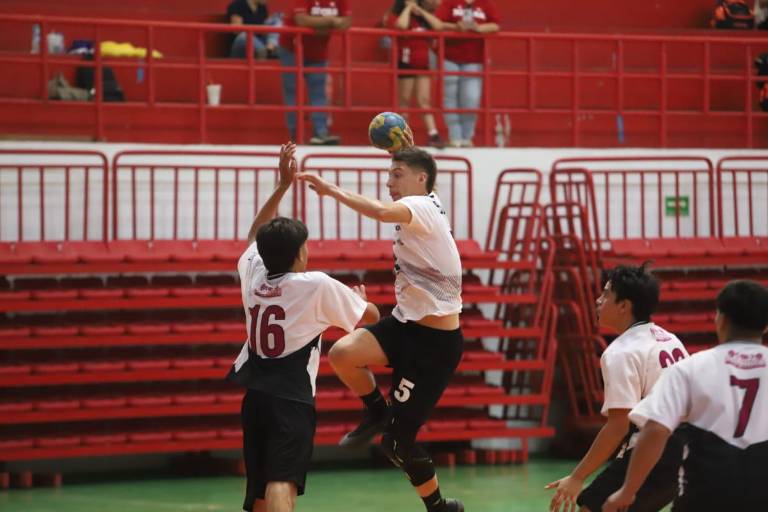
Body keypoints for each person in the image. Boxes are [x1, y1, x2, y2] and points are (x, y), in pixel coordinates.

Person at [297, 145, 465, 512]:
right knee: (342, 354)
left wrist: (331, 190)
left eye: (396, 174)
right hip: (405, 325)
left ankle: (439, 507)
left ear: (421, 179)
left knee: (397, 445)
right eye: (390, 174)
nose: (389, 182)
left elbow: (380, 211)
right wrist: (406, 148)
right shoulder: (427, 199)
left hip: (435, 346)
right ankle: (376, 409)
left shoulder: (420, 207)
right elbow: (422, 170)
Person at [227, 142, 380, 512]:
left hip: (255, 395)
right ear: (300, 253)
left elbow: (254, 236)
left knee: (259, 492)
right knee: (283, 481)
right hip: (291, 397)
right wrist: (359, 299)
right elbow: (372, 318)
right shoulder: (315, 285)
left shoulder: (254, 275)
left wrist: (281, 186)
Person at [604, 280, 768, 512]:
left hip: (706, 489)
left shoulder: (690, 368)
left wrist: (628, 491)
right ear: (765, 326)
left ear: (721, 320)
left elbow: (655, 430)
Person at [546, 264, 689, 512]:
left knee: (592, 507)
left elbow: (618, 426)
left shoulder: (621, 352)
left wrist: (577, 477)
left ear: (624, 306)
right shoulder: (669, 338)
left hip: (656, 449)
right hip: (689, 448)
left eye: (606, 294)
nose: (598, 300)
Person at [277, 0, 351, 145]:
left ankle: (320, 134)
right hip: (292, 48)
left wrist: (317, 26)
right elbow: (301, 20)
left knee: (319, 92)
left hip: (318, 51)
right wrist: (331, 21)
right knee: (293, 91)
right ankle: (296, 136)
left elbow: (346, 22)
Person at [435, 0, 499, 148]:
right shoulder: (450, 2)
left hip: (474, 58)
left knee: (471, 98)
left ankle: (467, 137)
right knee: (449, 97)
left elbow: (495, 25)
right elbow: (437, 22)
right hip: (449, 56)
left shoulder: (485, 4)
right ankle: (455, 137)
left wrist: (478, 28)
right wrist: (455, 27)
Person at [387, 0, 446, 148]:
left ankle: (433, 134)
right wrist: (408, 8)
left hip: (423, 64)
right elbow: (401, 25)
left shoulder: (423, 18)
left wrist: (421, 11)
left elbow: (439, 26)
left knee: (424, 99)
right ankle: (402, 135)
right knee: (404, 100)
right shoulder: (396, 15)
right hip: (405, 62)